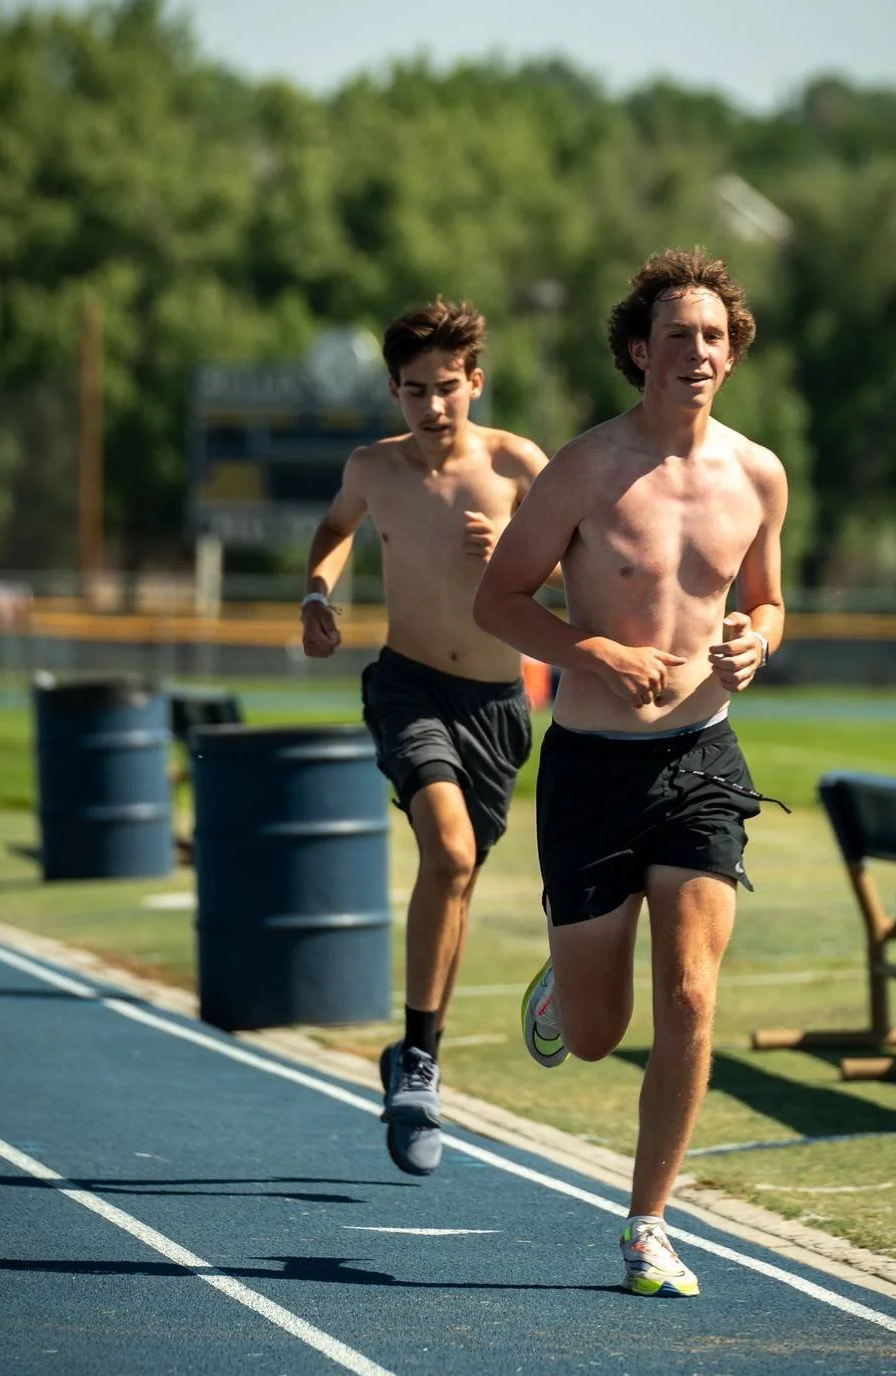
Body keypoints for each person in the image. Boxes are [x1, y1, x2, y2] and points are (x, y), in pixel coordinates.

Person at [472, 248, 787, 1297]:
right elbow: (500, 603)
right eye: (678, 336)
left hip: (703, 757)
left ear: (731, 353)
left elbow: (769, 599)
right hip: (594, 769)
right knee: (603, 1036)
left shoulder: (759, 474)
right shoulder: (584, 470)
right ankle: (569, 986)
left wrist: (758, 641)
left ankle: (648, 1223)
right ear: (638, 351)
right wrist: (591, 652)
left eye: (714, 336)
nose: (697, 352)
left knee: (692, 996)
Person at [301, 297, 552, 1178]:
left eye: (448, 388)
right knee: (445, 854)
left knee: (459, 877)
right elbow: (334, 531)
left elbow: (589, 559)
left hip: (496, 703)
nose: (433, 407)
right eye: (414, 392)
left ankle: (418, 1058)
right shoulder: (374, 468)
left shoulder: (520, 463)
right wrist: (318, 596)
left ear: (475, 382)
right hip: (408, 684)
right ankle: (417, 1060)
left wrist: (525, 551)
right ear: (394, 393)